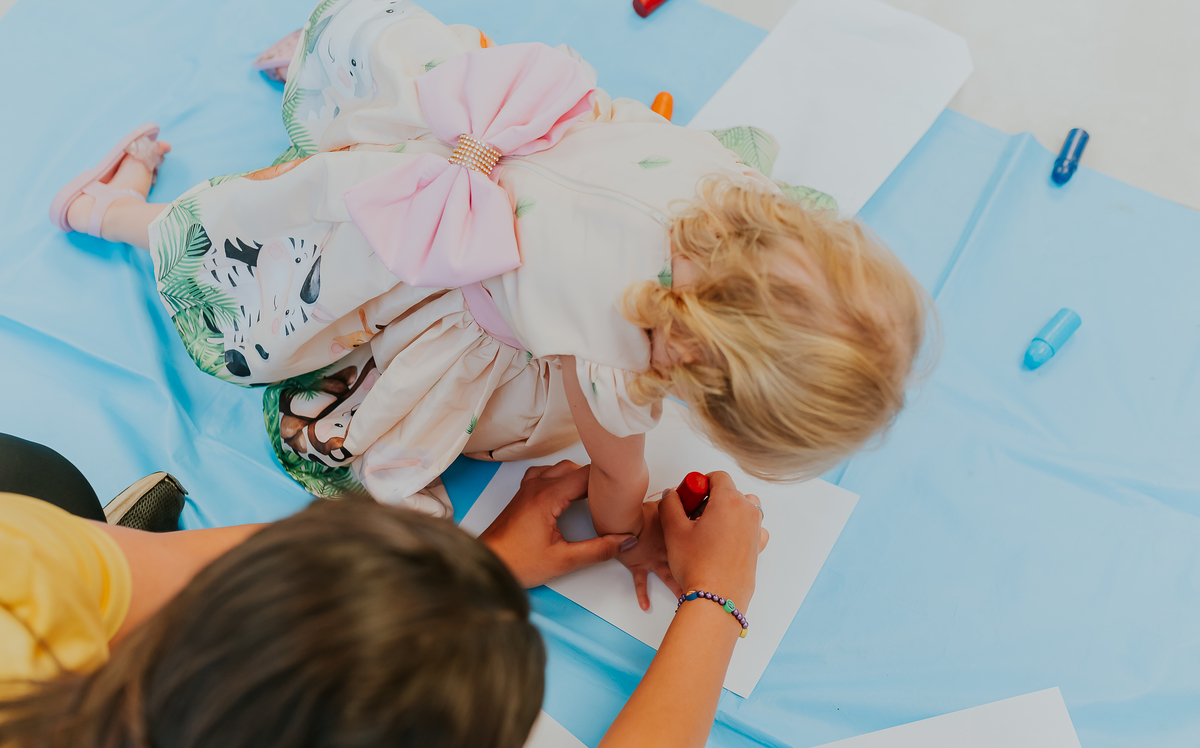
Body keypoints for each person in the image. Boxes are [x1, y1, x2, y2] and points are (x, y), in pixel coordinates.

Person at [49, 0, 926, 608]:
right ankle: (113, 213)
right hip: (418, 243)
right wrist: (640, 531)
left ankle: (308, 76)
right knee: (258, 255)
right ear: (692, 364)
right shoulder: (620, 346)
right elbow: (616, 475)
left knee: (359, 114)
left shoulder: (733, 182)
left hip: (452, 119)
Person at [0, 439, 768, 748]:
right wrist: (717, 598)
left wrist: (456, 574)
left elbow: (275, 565)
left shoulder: (20, 574)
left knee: (38, 484)